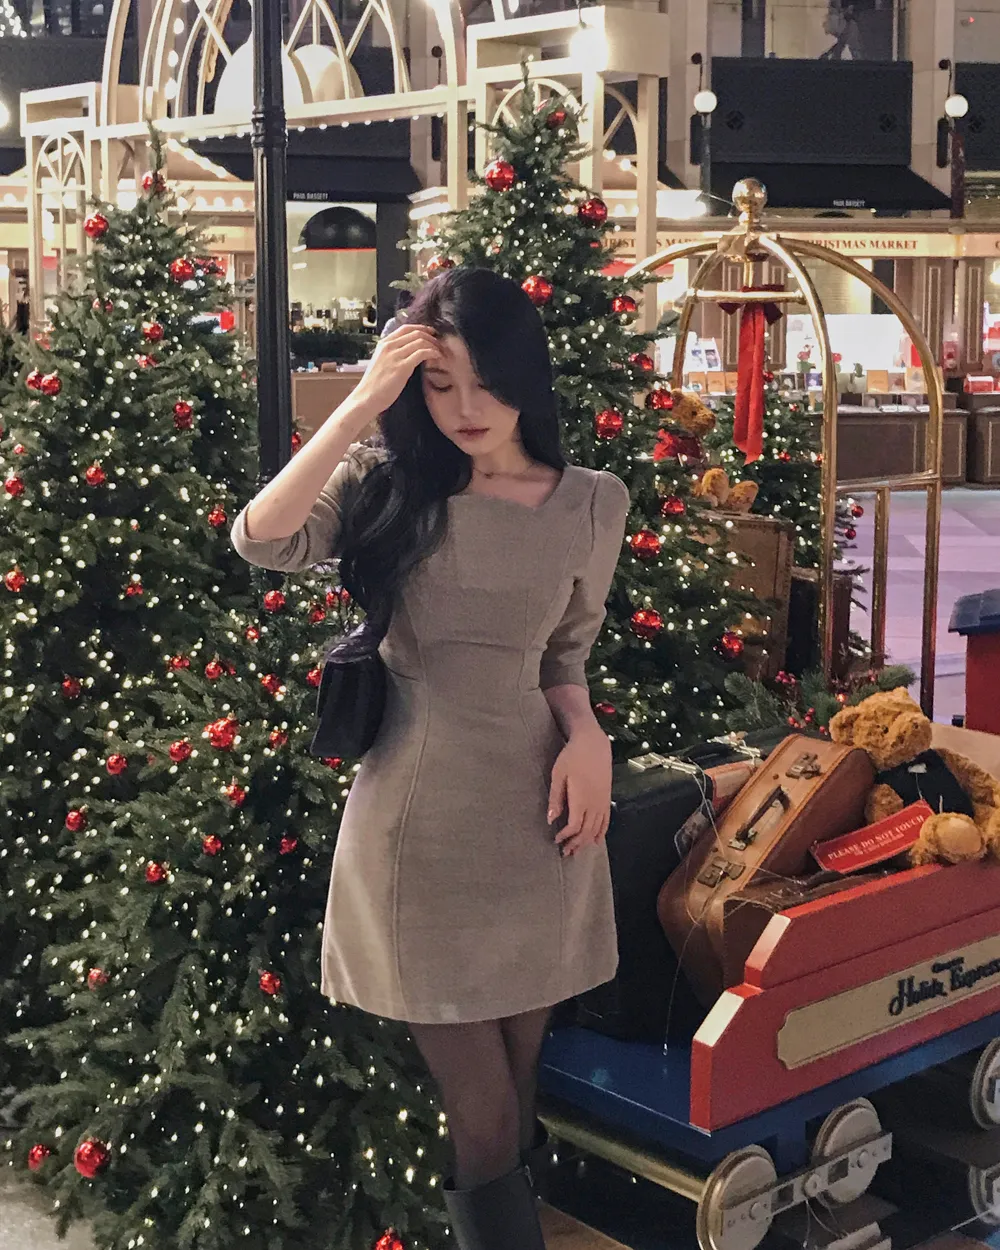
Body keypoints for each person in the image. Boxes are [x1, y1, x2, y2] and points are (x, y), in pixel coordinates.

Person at [231, 267, 629, 1250]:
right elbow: (260, 536)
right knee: (481, 1107)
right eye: (439, 384)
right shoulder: (388, 485)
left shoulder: (591, 501)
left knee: (520, 1084)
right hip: (419, 825)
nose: (464, 409)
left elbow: (564, 655)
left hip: (540, 820)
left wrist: (589, 737)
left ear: (524, 376)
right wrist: (358, 405)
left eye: (485, 382)